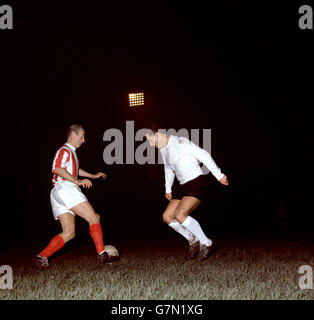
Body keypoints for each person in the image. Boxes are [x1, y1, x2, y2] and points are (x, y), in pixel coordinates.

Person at [145, 122, 229, 261]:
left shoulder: (180, 141)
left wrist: (219, 175)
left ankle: (207, 243)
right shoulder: (163, 149)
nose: (151, 145)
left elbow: (204, 155)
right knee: (167, 216)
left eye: (150, 140)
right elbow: (168, 168)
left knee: (180, 214)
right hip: (183, 186)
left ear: (158, 135)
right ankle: (193, 240)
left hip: (196, 182)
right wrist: (168, 188)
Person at [35, 124, 114, 268]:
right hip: (66, 189)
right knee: (94, 217)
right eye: (82, 136)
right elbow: (57, 169)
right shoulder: (64, 150)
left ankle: (42, 257)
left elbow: (75, 170)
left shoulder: (71, 152)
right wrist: (77, 181)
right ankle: (102, 254)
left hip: (58, 192)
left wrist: (93, 175)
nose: (84, 140)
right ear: (72, 135)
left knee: (69, 232)